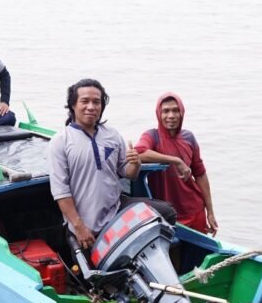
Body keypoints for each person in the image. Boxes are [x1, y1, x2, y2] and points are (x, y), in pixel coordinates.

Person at [48, 79, 176, 250]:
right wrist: (79, 227)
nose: (91, 107)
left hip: (117, 210)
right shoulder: (60, 141)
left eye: (96, 102)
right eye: (85, 101)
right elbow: (61, 192)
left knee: (167, 212)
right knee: (92, 266)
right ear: (73, 105)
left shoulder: (112, 135)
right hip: (85, 222)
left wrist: (135, 163)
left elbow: (128, 173)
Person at [134, 92, 218, 235]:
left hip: (195, 210)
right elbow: (139, 153)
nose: (171, 115)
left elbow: (200, 174)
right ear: (159, 114)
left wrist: (210, 212)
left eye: (175, 110)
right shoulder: (152, 136)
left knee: (198, 248)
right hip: (167, 214)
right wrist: (175, 160)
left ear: (182, 113)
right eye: (166, 111)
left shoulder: (189, 138)